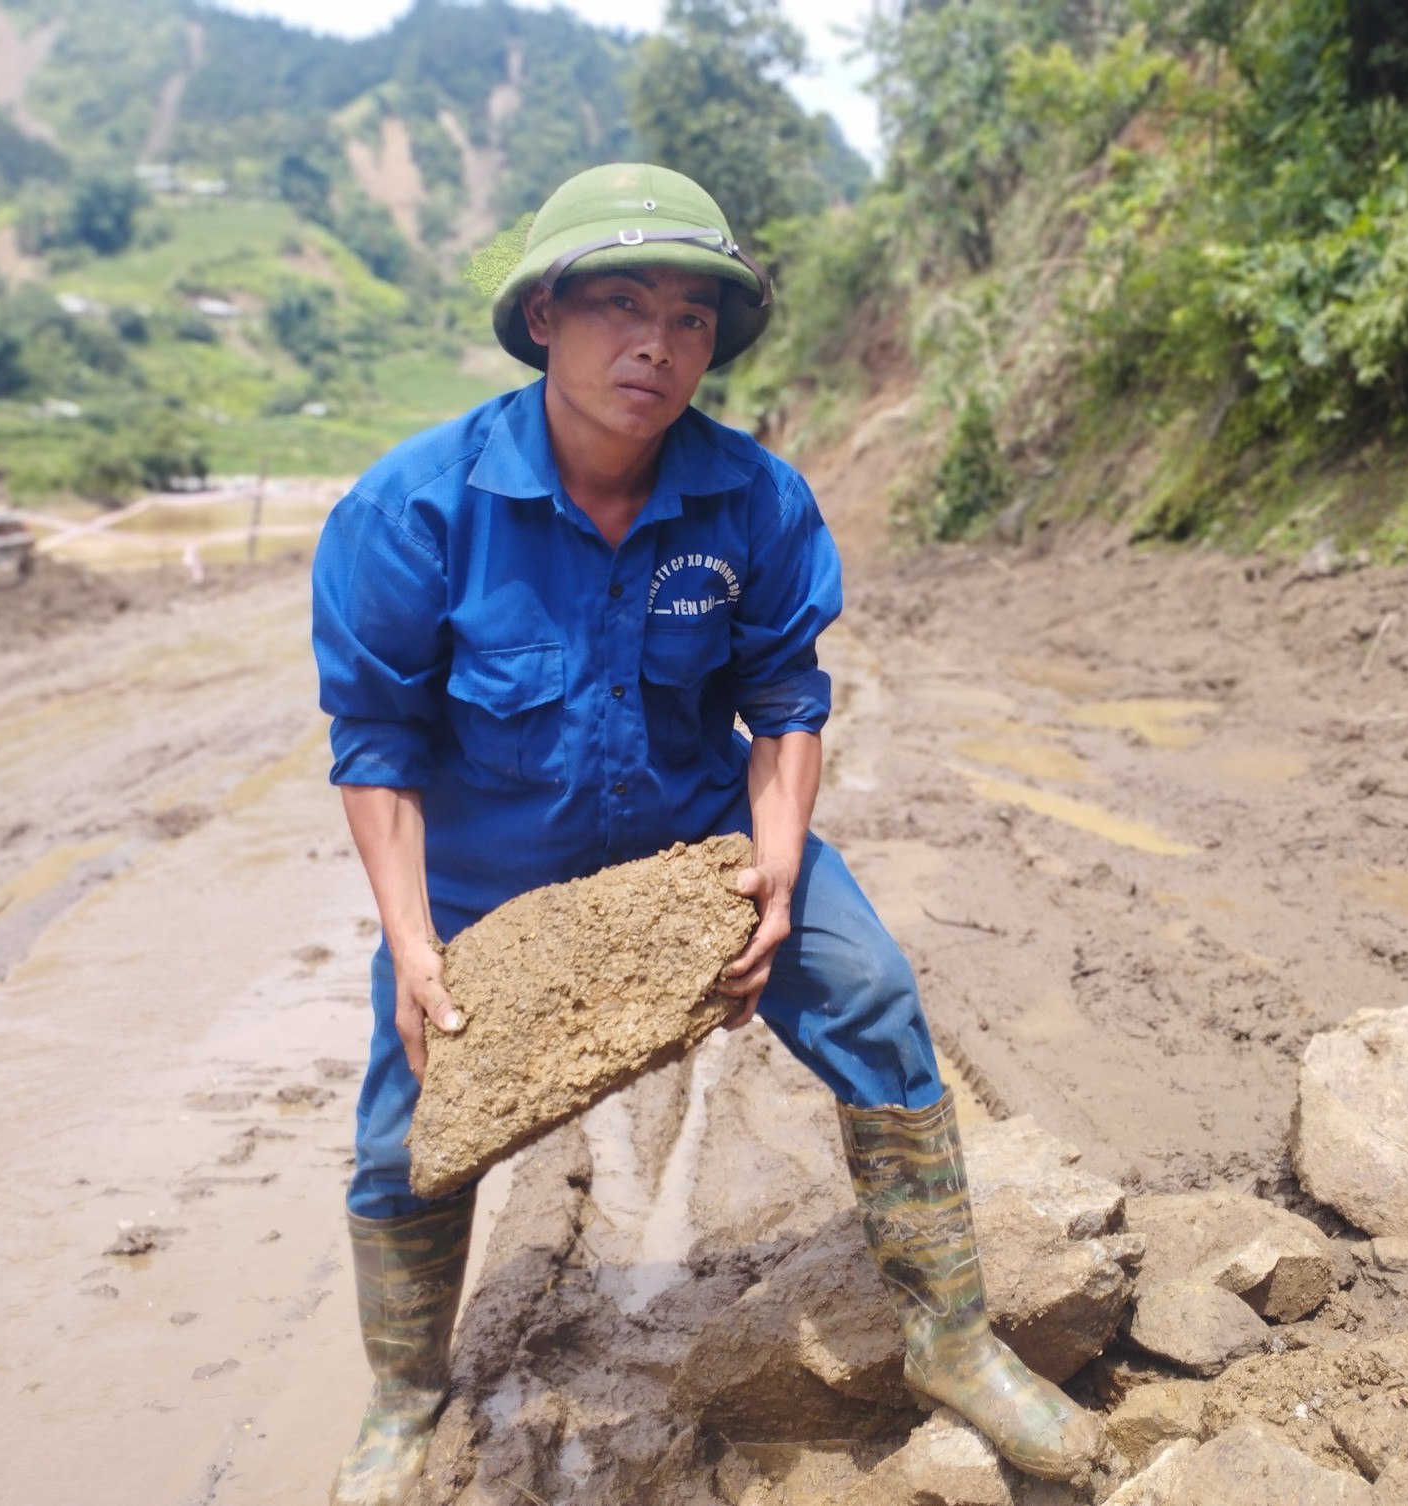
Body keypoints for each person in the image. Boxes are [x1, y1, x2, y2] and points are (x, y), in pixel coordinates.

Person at [310, 163, 1104, 1506]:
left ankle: (954, 1340)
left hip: (694, 828)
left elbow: (786, 697)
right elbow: (375, 747)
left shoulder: (754, 502)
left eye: (690, 318)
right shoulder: (411, 515)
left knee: (872, 991)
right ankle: (401, 1394)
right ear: (546, 314)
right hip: (488, 868)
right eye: (621, 303)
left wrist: (781, 856)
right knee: (403, 1131)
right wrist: (412, 937)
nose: (657, 343)